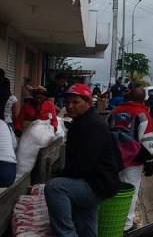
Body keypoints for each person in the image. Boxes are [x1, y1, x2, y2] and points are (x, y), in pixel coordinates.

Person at [45, 84, 120, 237]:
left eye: (75, 102)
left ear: (88, 102)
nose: (70, 106)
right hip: (92, 180)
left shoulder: (92, 125)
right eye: (67, 103)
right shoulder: (80, 122)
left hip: (98, 184)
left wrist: (61, 177)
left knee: (55, 187)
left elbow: (83, 164)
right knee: (85, 222)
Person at [110, 87, 153, 232]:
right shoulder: (143, 113)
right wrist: (149, 163)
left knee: (114, 188)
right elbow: (147, 141)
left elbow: (104, 131)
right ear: (143, 100)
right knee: (131, 191)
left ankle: (112, 218)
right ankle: (127, 225)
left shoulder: (115, 111)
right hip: (132, 160)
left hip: (112, 158)